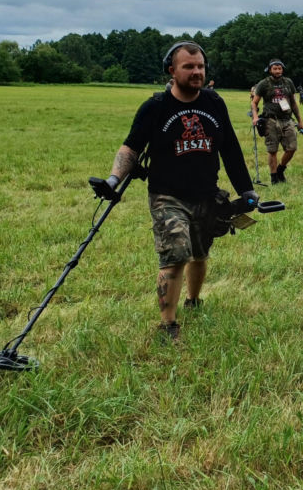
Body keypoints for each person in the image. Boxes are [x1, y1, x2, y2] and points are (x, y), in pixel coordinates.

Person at [94, 41, 257, 342]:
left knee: (199, 252)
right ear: (171, 70)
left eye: (200, 67)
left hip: (207, 193)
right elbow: (131, 148)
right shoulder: (155, 107)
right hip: (167, 194)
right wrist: (114, 180)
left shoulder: (214, 103)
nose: (197, 72)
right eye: (188, 67)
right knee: (176, 251)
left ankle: (193, 300)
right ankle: (167, 324)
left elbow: (230, 149)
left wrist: (246, 189)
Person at [251, 59, 302, 184]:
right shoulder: (264, 84)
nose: (278, 71)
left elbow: (293, 103)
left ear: (282, 69)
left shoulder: (288, 82)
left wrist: (300, 120)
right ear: (270, 70)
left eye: (280, 68)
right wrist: (255, 117)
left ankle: (280, 169)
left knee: (292, 148)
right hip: (271, 120)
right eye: (275, 68)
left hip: (287, 119)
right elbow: (254, 102)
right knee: (272, 150)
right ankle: (274, 177)